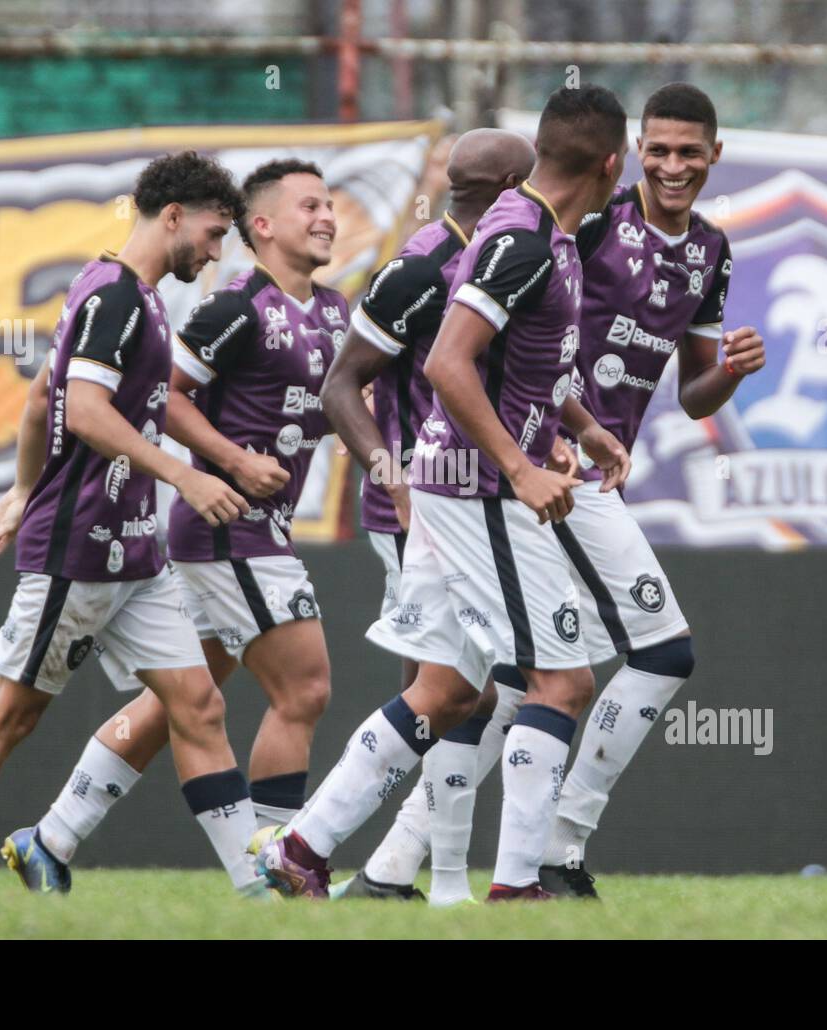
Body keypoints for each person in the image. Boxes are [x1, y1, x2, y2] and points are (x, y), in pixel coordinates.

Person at [336, 82, 768, 901]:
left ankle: (393, 869)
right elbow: (488, 320)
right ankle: (554, 851)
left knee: (502, 683)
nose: (673, 166)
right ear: (628, 155)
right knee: (649, 651)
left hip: (576, 471)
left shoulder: (711, 251)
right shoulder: (592, 217)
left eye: (690, 152)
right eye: (660, 150)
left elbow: (695, 391)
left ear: (717, 156)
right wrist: (546, 438)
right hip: (539, 469)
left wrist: (730, 374)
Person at [256, 84, 632, 900]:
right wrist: (522, 466)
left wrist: (576, 429)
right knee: (561, 684)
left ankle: (304, 848)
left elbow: (516, 359)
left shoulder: (530, 235)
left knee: (449, 690)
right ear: (611, 163)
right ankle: (517, 885)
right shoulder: (509, 243)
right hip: (478, 491)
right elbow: (443, 365)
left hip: (461, 485)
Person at [0, 151, 263, 895]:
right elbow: (84, 410)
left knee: (198, 704)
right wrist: (184, 475)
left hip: (135, 554)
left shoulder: (131, 294)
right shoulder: (118, 298)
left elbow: (41, 398)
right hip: (79, 551)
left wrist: (20, 487)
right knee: (11, 714)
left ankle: (258, 895)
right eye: (214, 230)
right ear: (172, 217)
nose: (216, 250)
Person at [2, 160, 350, 888]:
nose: (326, 216)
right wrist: (227, 461)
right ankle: (280, 865)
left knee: (182, 704)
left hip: (257, 531)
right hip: (229, 531)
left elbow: (353, 400)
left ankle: (52, 838)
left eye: (331, 205)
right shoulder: (235, 306)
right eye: (309, 205)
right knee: (305, 689)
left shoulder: (335, 311)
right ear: (263, 226)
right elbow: (166, 394)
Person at [318, 128, 539, 903]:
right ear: (513, 182)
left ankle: (407, 879)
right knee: (452, 691)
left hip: (480, 502)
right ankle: (335, 857)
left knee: (467, 691)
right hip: (420, 506)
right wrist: (393, 476)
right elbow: (341, 384)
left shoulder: (512, 257)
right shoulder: (420, 268)